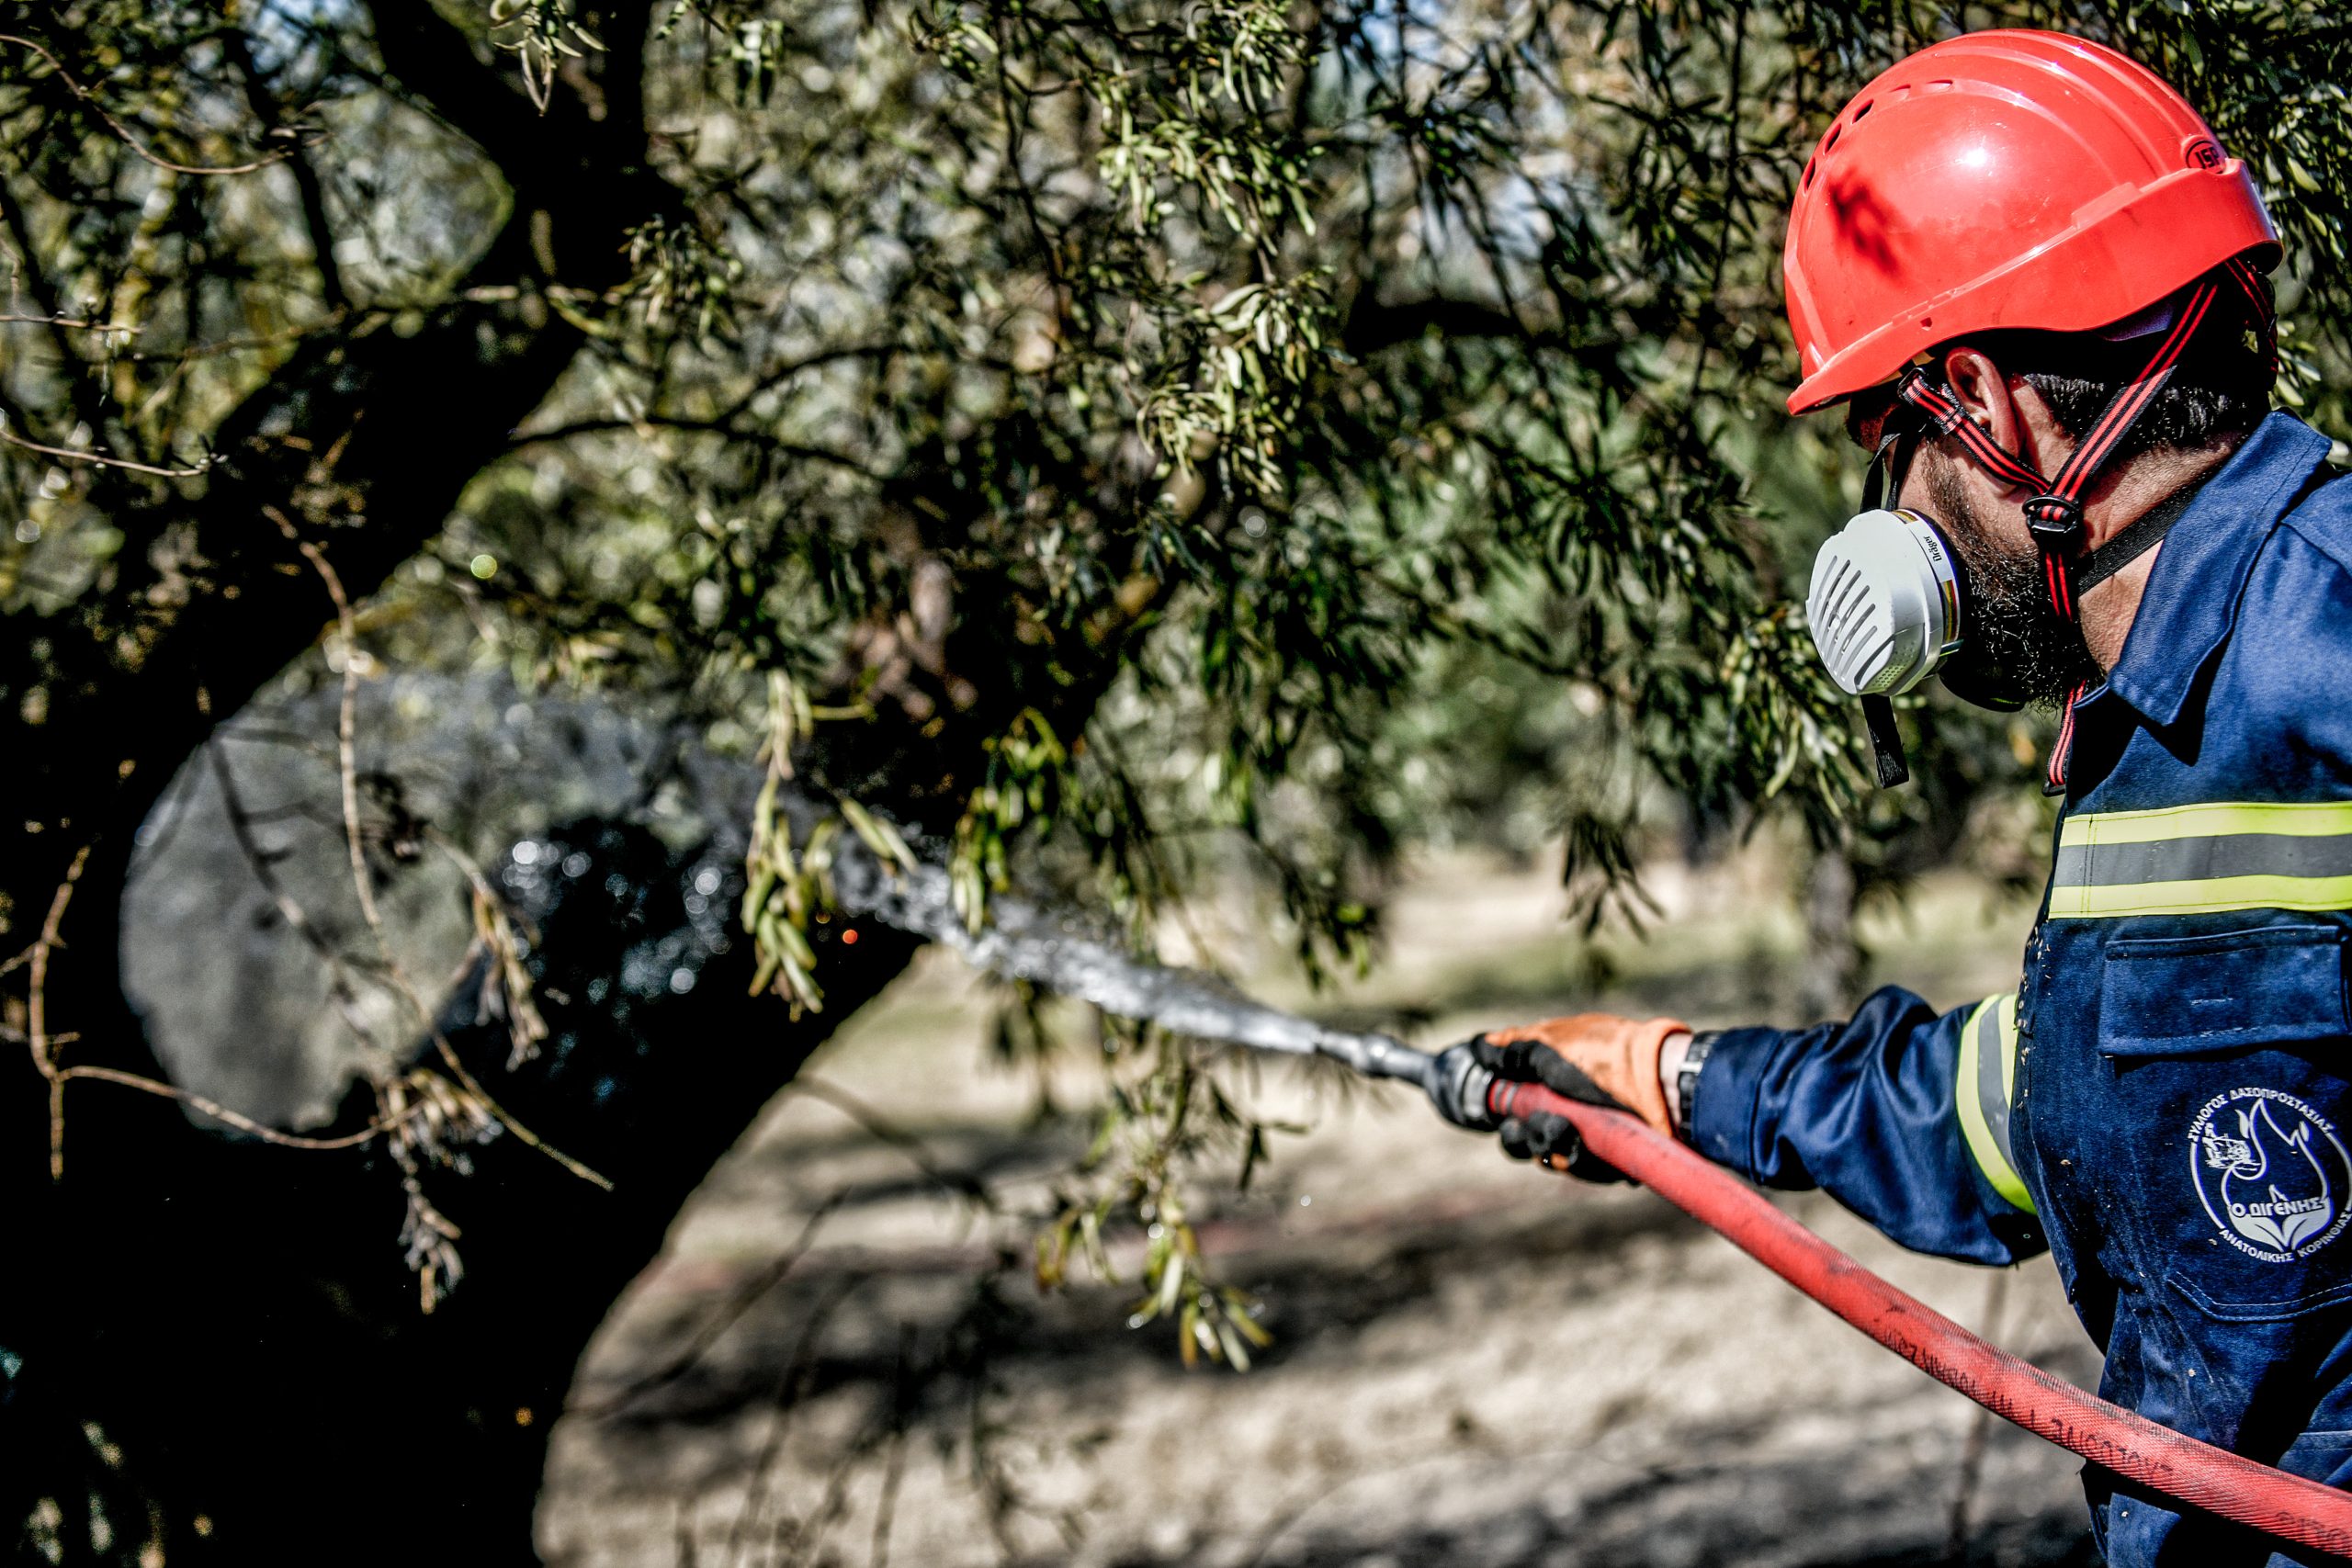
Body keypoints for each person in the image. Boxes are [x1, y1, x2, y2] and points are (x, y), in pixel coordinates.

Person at [1469, 29, 2352, 1563]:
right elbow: (2043, 1111)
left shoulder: (2326, 635)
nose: (1887, 513)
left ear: (1983, 405)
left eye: (1891, 444)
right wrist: (1681, 1084)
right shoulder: (2153, 722)